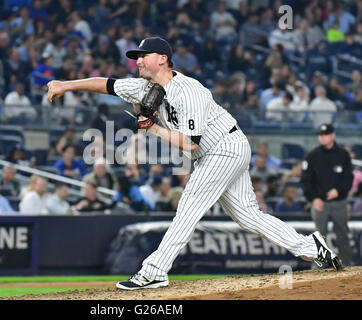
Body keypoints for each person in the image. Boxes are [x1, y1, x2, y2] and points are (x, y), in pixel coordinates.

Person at [46, 36, 343, 291]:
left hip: (223, 147)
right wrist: (66, 84)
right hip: (217, 151)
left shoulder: (189, 91)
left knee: (188, 208)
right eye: (135, 56)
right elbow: (106, 84)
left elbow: (191, 144)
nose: (137, 61)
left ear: (162, 59)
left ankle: (154, 271)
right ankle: (310, 247)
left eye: (142, 56)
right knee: (249, 217)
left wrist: (153, 128)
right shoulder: (143, 87)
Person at [300, 123, 354, 266]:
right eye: (320, 135)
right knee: (319, 237)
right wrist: (313, 198)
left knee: (343, 235)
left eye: (325, 135)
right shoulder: (312, 156)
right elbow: (305, 180)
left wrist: (339, 191)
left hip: (339, 203)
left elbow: (348, 178)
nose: (322, 137)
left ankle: (347, 266)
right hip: (319, 204)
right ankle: (318, 268)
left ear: (332, 135)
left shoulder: (343, 155)